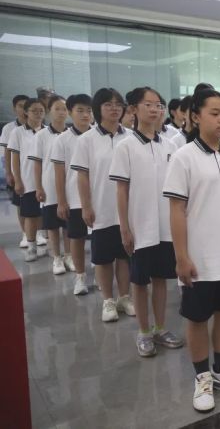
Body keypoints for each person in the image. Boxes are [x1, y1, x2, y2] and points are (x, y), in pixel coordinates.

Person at [163, 88, 220, 413]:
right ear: (195, 116)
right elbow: (176, 211)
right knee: (198, 317)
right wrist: (181, 256)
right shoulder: (183, 157)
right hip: (199, 257)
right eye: (214, 113)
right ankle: (202, 376)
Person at [109, 87, 184, 357]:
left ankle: (160, 328)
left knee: (161, 279)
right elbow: (121, 190)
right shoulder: (125, 146)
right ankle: (143, 332)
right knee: (140, 281)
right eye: (148, 105)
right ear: (133, 109)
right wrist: (124, 227)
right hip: (140, 226)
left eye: (158, 105)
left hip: (165, 226)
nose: (155, 110)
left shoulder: (170, 145)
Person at [71, 88, 134, 322]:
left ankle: (124, 297)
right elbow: (82, 176)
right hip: (101, 208)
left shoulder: (131, 137)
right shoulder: (87, 139)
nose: (114, 108)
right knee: (103, 257)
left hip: (128, 209)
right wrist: (86, 206)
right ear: (99, 108)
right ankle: (108, 300)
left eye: (118, 104)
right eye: (108, 104)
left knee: (125, 255)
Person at [53, 94, 93, 295]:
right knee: (77, 238)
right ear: (70, 112)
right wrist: (61, 201)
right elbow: (59, 174)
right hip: (75, 198)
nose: (85, 115)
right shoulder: (62, 140)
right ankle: (80, 276)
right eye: (80, 110)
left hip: (99, 198)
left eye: (89, 111)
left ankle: (101, 274)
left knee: (100, 240)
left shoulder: (98, 136)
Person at [30, 95, 73, 274]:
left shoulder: (72, 134)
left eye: (64, 109)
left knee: (69, 223)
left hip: (70, 184)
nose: (61, 113)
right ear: (49, 111)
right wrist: (38, 187)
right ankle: (56, 257)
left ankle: (69, 255)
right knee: (52, 223)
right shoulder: (41, 135)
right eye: (57, 109)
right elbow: (37, 164)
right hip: (49, 184)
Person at [8, 98, 46, 262]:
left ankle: (44, 240)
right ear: (26, 112)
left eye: (41, 111)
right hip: (28, 180)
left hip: (47, 181)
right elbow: (15, 158)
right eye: (34, 110)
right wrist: (17, 180)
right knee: (30, 214)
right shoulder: (18, 132)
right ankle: (31, 247)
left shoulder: (47, 131)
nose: (38, 114)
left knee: (44, 213)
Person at [1, 94, 34, 248]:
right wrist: (9, 173)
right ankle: (25, 233)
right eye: (20, 106)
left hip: (35, 173)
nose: (24, 109)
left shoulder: (38, 125)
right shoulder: (10, 128)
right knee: (21, 203)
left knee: (38, 205)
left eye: (26, 105)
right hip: (19, 173)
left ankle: (38, 233)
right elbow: (7, 153)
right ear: (14, 109)